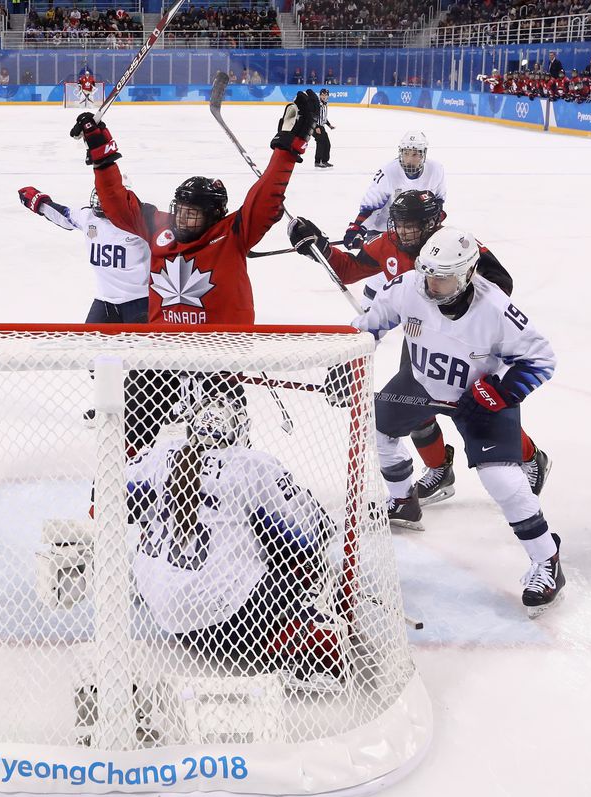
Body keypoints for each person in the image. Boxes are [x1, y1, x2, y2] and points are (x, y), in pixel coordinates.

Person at [70, 90, 319, 453]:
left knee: (223, 456)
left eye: (193, 213)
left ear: (214, 215)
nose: (184, 218)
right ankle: (115, 504)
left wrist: (290, 143)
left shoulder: (233, 233)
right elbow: (116, 199)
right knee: (130, 444)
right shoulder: (160, 228)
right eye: (181, 209)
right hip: (160, 356)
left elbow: (265, 196)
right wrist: (99, 146)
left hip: (219, 358)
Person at [351, 226, 564, 618]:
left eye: (443, 276)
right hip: (419, 382)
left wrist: (496, 395)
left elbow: (541, 360)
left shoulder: (496, 308)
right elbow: (371, 322)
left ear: (468, 274)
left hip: (477, 399)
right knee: (380, 426)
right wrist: (345, 362)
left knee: (502, 479)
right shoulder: (409, 286)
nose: (432, 284)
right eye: (429, 273)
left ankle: (547, 560)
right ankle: (403, 501)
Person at [287, 190, 548, 506]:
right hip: (421, 342)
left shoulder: (457, 246)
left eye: (414, 224)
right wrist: (321, 249)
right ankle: (440, 470)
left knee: (477, 410)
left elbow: (501, 284)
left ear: (434, 222)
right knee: (413, 406)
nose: (405, 231)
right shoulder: (389, 242)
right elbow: (350, 270)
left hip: (467, 345)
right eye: (401, 224)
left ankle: (531, 456)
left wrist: (451, 312)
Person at [127, 388, 342, 683]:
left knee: (152, 520)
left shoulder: (161, 452)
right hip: (231, 627)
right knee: (305, 566)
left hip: (161, 609)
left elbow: (107, 501)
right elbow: (308, 535)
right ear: (239, 429)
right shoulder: (252, 464)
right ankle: (296, 637)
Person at [16, 185, 150, 323]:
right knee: (89, 342)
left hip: (139, 301)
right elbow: (64, 216)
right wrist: (40, 204)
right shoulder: (88, 217)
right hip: (104, 301)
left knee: (142, 343)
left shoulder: (140, 221)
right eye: (100, 197)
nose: (100, 201)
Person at [343, 130, 446, 252]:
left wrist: (433, 220)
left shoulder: (436, 170)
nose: (409, 160)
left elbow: (438, 201)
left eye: (414, 155)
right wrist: (358, 229)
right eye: (406, 153)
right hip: (385, 231)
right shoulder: (387, 172)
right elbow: (371, 208)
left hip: (417, 233)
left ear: (423, 154)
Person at [311, 88, 336, 168]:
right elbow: (313, 116)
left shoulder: (325, 104)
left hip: (322, 127)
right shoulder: (317, 104)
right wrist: (316, 127)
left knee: (327, 144)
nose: (324, 96)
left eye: (325, 95)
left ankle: (325, 161)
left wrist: (329, 125)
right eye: (322, 95)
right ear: (320, 95)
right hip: (316, 127)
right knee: (321, 143)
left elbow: (323, 117)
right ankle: (317, 161)